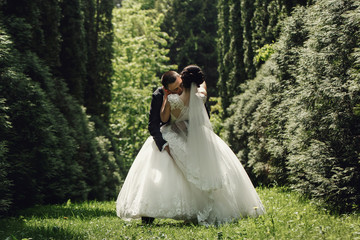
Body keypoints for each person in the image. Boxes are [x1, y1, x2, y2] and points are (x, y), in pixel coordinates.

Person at [159, 65, 265, 225]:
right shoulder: (201, 96)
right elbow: (202, 86)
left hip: (178, 136)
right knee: (213, 168)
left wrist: (166, 97)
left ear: (183, 82)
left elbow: (164, 118)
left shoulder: (173, 100)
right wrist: (197, 80)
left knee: (189, 172)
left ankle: (192, 207)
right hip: (200, 136)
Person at [116, 71, 204, 224]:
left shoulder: (189, 91)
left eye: (180, 86)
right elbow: (153, 124)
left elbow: (200, 115)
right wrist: (163, 144)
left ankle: (194, 209)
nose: (179, 90)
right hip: (165, 137)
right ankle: (148, 213)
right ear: (166, 89)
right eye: (175, 89)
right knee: (154, 172)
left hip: (186, 136)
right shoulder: (158, 95)